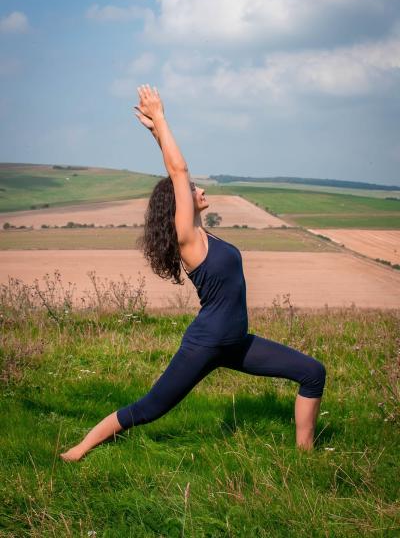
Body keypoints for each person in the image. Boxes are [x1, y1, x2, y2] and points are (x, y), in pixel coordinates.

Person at [60, 85, 326, 462]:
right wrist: (163, 119)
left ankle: (305, 457)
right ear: (178, 204)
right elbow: (178, 169)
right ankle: (80, 448)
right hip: (206, 344)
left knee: (313, 372)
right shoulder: (189, 240)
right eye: (190, 189)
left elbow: (178, 173)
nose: (197, 188)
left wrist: (155, 130)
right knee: (149, 408)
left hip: (234, 343)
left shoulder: (204, 234)